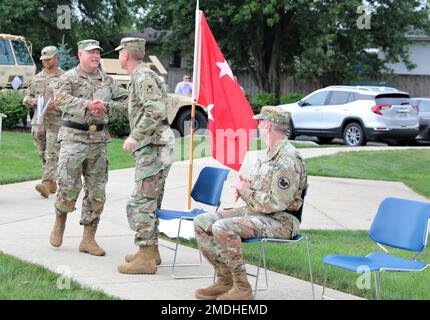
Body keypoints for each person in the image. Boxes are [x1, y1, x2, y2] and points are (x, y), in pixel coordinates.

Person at [193, 106, 308, 300]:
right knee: (202, 221)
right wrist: (245, 186)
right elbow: (260, 190)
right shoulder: (270, 153)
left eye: (260, 122)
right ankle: (225, 280)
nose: (258, 125)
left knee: (222, 227)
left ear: (267, 126)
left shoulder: (287, 159)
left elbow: (276, 203)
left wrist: (246, 192)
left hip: (281, 221)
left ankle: (242, 288)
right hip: (258, 214)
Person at [50, 39, 128, 256]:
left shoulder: (107, 81)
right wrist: (87, 105)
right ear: (80, 54)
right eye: (91, 52)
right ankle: (60, 219)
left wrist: (107, 107)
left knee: (97, 191)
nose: (95, 56)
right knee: (68, 186)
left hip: (99, 141)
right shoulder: (69, 78)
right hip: (73, 138)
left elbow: (128, 101)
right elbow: (60, 99)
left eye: (98, 52)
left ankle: (88, 239)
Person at [114, 38, 175, 274]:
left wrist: (135, 136)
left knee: (141, 202)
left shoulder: (142, 77)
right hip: (154, 147)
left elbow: (155, 111)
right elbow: (138, 109)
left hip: (153, 148)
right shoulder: (141, 76)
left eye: (120, 52)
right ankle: (150, 251)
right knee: (150, 201)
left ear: (125, 55)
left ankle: (146, 258)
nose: (119, 56)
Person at [23, 46, 64, 198]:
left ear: (55, 58)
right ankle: (52, 182)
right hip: (38, 123)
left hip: (56, 122)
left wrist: (58, 103)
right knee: (42, 153)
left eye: (48, 59)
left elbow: (70, 100)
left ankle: (46, 183)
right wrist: (32, 100)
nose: (45, 62)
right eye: (43, 59)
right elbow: (25, 98)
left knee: (52, 153)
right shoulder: (37, 78)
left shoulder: (64, 78)